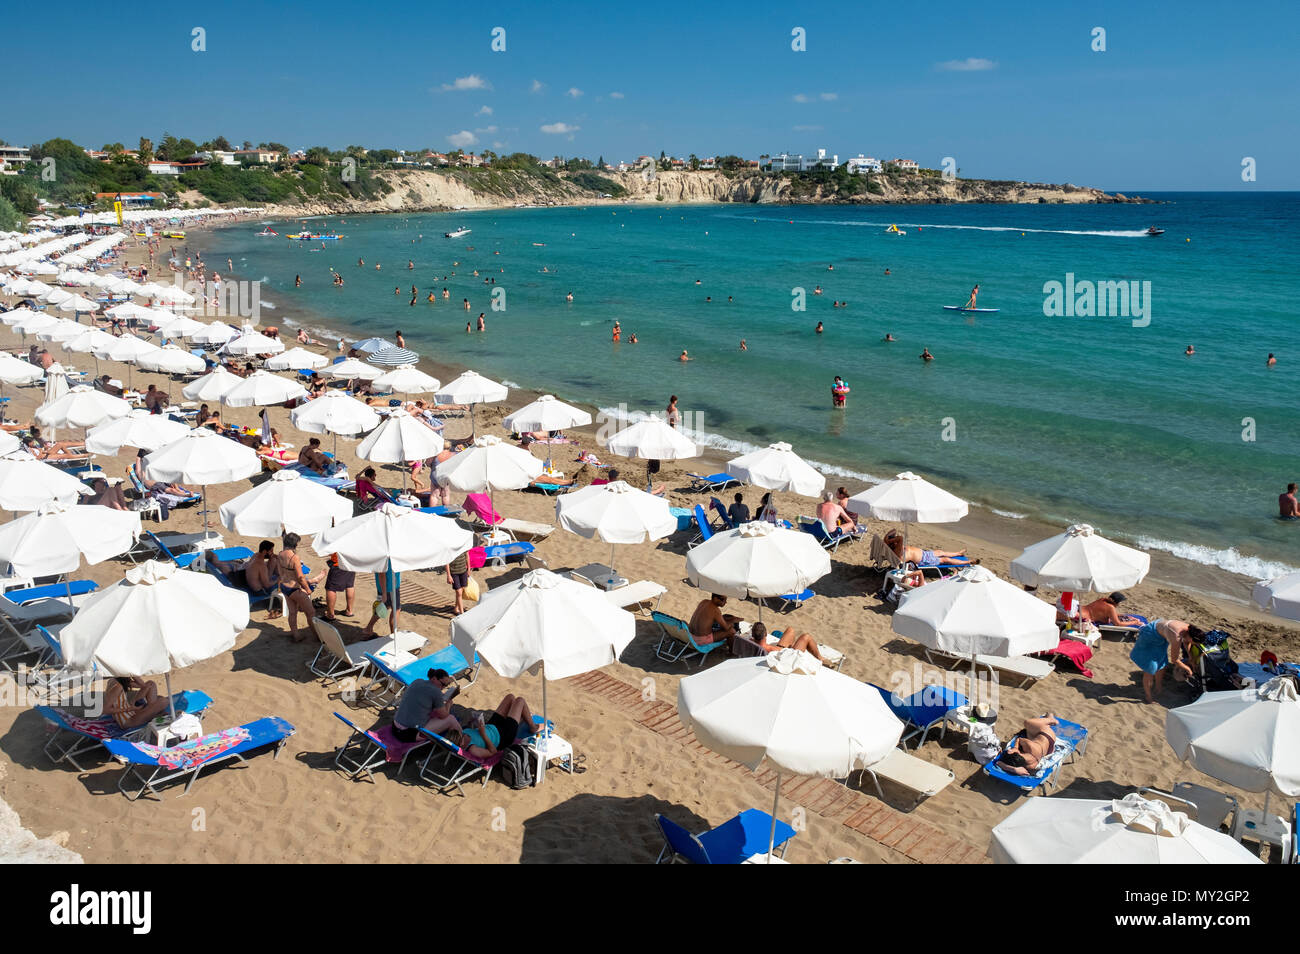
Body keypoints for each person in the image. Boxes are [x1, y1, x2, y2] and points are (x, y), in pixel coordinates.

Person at [443, 694, 540, 757]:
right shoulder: (473, 749)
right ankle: (533, 727)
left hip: (492, 726)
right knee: (520, 700)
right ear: (461, 744)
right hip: (503, 736)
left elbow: (472, 733)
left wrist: (472, 723)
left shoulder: (461, 734)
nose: (464, 734)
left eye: (462, 733)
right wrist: (483, 734)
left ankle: (519, 717)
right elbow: (493, 751)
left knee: (510, 697)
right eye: (463, 736)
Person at [1129, 618, 1198, 704]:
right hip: (1150, 635)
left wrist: (1190, 658)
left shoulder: (1191, 630)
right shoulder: (1176, 636)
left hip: (1161, 636)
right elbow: (1174, 660)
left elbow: (1187, 642)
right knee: (1150, 669)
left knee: (1162, 664)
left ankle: (1158, 687)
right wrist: (1188, 669)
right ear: (1190, 637)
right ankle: (1148, 696)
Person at [277, 533, 325, 641]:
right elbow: (300, 577)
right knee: (311, 613)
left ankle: (296, 635)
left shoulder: (280, 554)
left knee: (292, 612)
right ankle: (318, 637)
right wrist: (307, 589)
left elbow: (280, 572)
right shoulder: (294, 557)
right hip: (295, 588)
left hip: (285, 586)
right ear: (295, 544)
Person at [391, 669, 461, 742]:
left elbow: (422, 699)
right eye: (442, 684)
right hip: (408, 733)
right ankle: (461, 745)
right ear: (434, 678)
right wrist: (448, 704)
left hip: (395, 727)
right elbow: (444, 715)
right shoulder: (436, 692)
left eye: (446, 685)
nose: (443, 688)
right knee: (451, 719)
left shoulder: (417, 681)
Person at [994, 715, 1058, 776]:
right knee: (1027, 722)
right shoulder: (1029, 746)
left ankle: (1048, 721)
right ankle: (1051, 719)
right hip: (1048, 735)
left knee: (1029, 730)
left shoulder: (1030, 766)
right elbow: (1019, 739)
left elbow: (999, 763)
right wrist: (1016, 748)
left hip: (1048, 750)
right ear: (1018, 753)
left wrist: (1014, 769)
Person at [103, 676, 173, 729]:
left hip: (130, 710)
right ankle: (152, 713)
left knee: (150, 684)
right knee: (164, 701)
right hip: (127, 720)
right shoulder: (118, 686)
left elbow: (142, 685)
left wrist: (133, 674)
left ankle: (151, 711)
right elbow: (105, 710)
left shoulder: (118, 679)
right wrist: (129, 709)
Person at [882, 529, 970, 566]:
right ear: (891, 544)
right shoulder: (897, 552)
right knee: (945, 559)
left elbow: (893, 531)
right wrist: (888, 540)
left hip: (925, 554)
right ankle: (967, 562)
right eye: (893, 540)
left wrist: (887, 540)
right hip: (924, 560)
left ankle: (958, 553)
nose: (895, 539)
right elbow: (901, 538)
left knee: (940, 552)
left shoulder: (897, 548)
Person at [747, 621, 827, 662]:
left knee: (790, 630)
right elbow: (787, 652)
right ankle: (820, 658)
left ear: (753, 635)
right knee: (806, 637)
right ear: (765, 634)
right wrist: (792, 648)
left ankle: (820, 657)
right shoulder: (769, 649)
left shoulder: (749, 642)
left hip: (779, 650)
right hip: (790, 657)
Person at [362, 565, 402, 636]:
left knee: (383, 607)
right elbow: (381, 574)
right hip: (390, 587)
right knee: (396, 610)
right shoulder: (386, 556)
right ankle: (394, 636)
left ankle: (368, 628)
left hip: (385, 586)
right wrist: (384, 593)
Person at [323, 553, 356, 620]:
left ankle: (330, 615)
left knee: (330, 588)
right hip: (351, 562)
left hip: (338, 563)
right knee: (349, 585)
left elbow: (330, 551)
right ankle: (349, 611)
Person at [446, 548, 471, 616]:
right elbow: (446, 561)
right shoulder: (449, 548)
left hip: (463, 571)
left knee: (461, 591)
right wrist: (448, 575)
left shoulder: (463, 545)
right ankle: (462, 613)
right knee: (459, 592)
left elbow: (467, 556)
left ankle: (456, 609)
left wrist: (469, 568)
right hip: (454, 572)